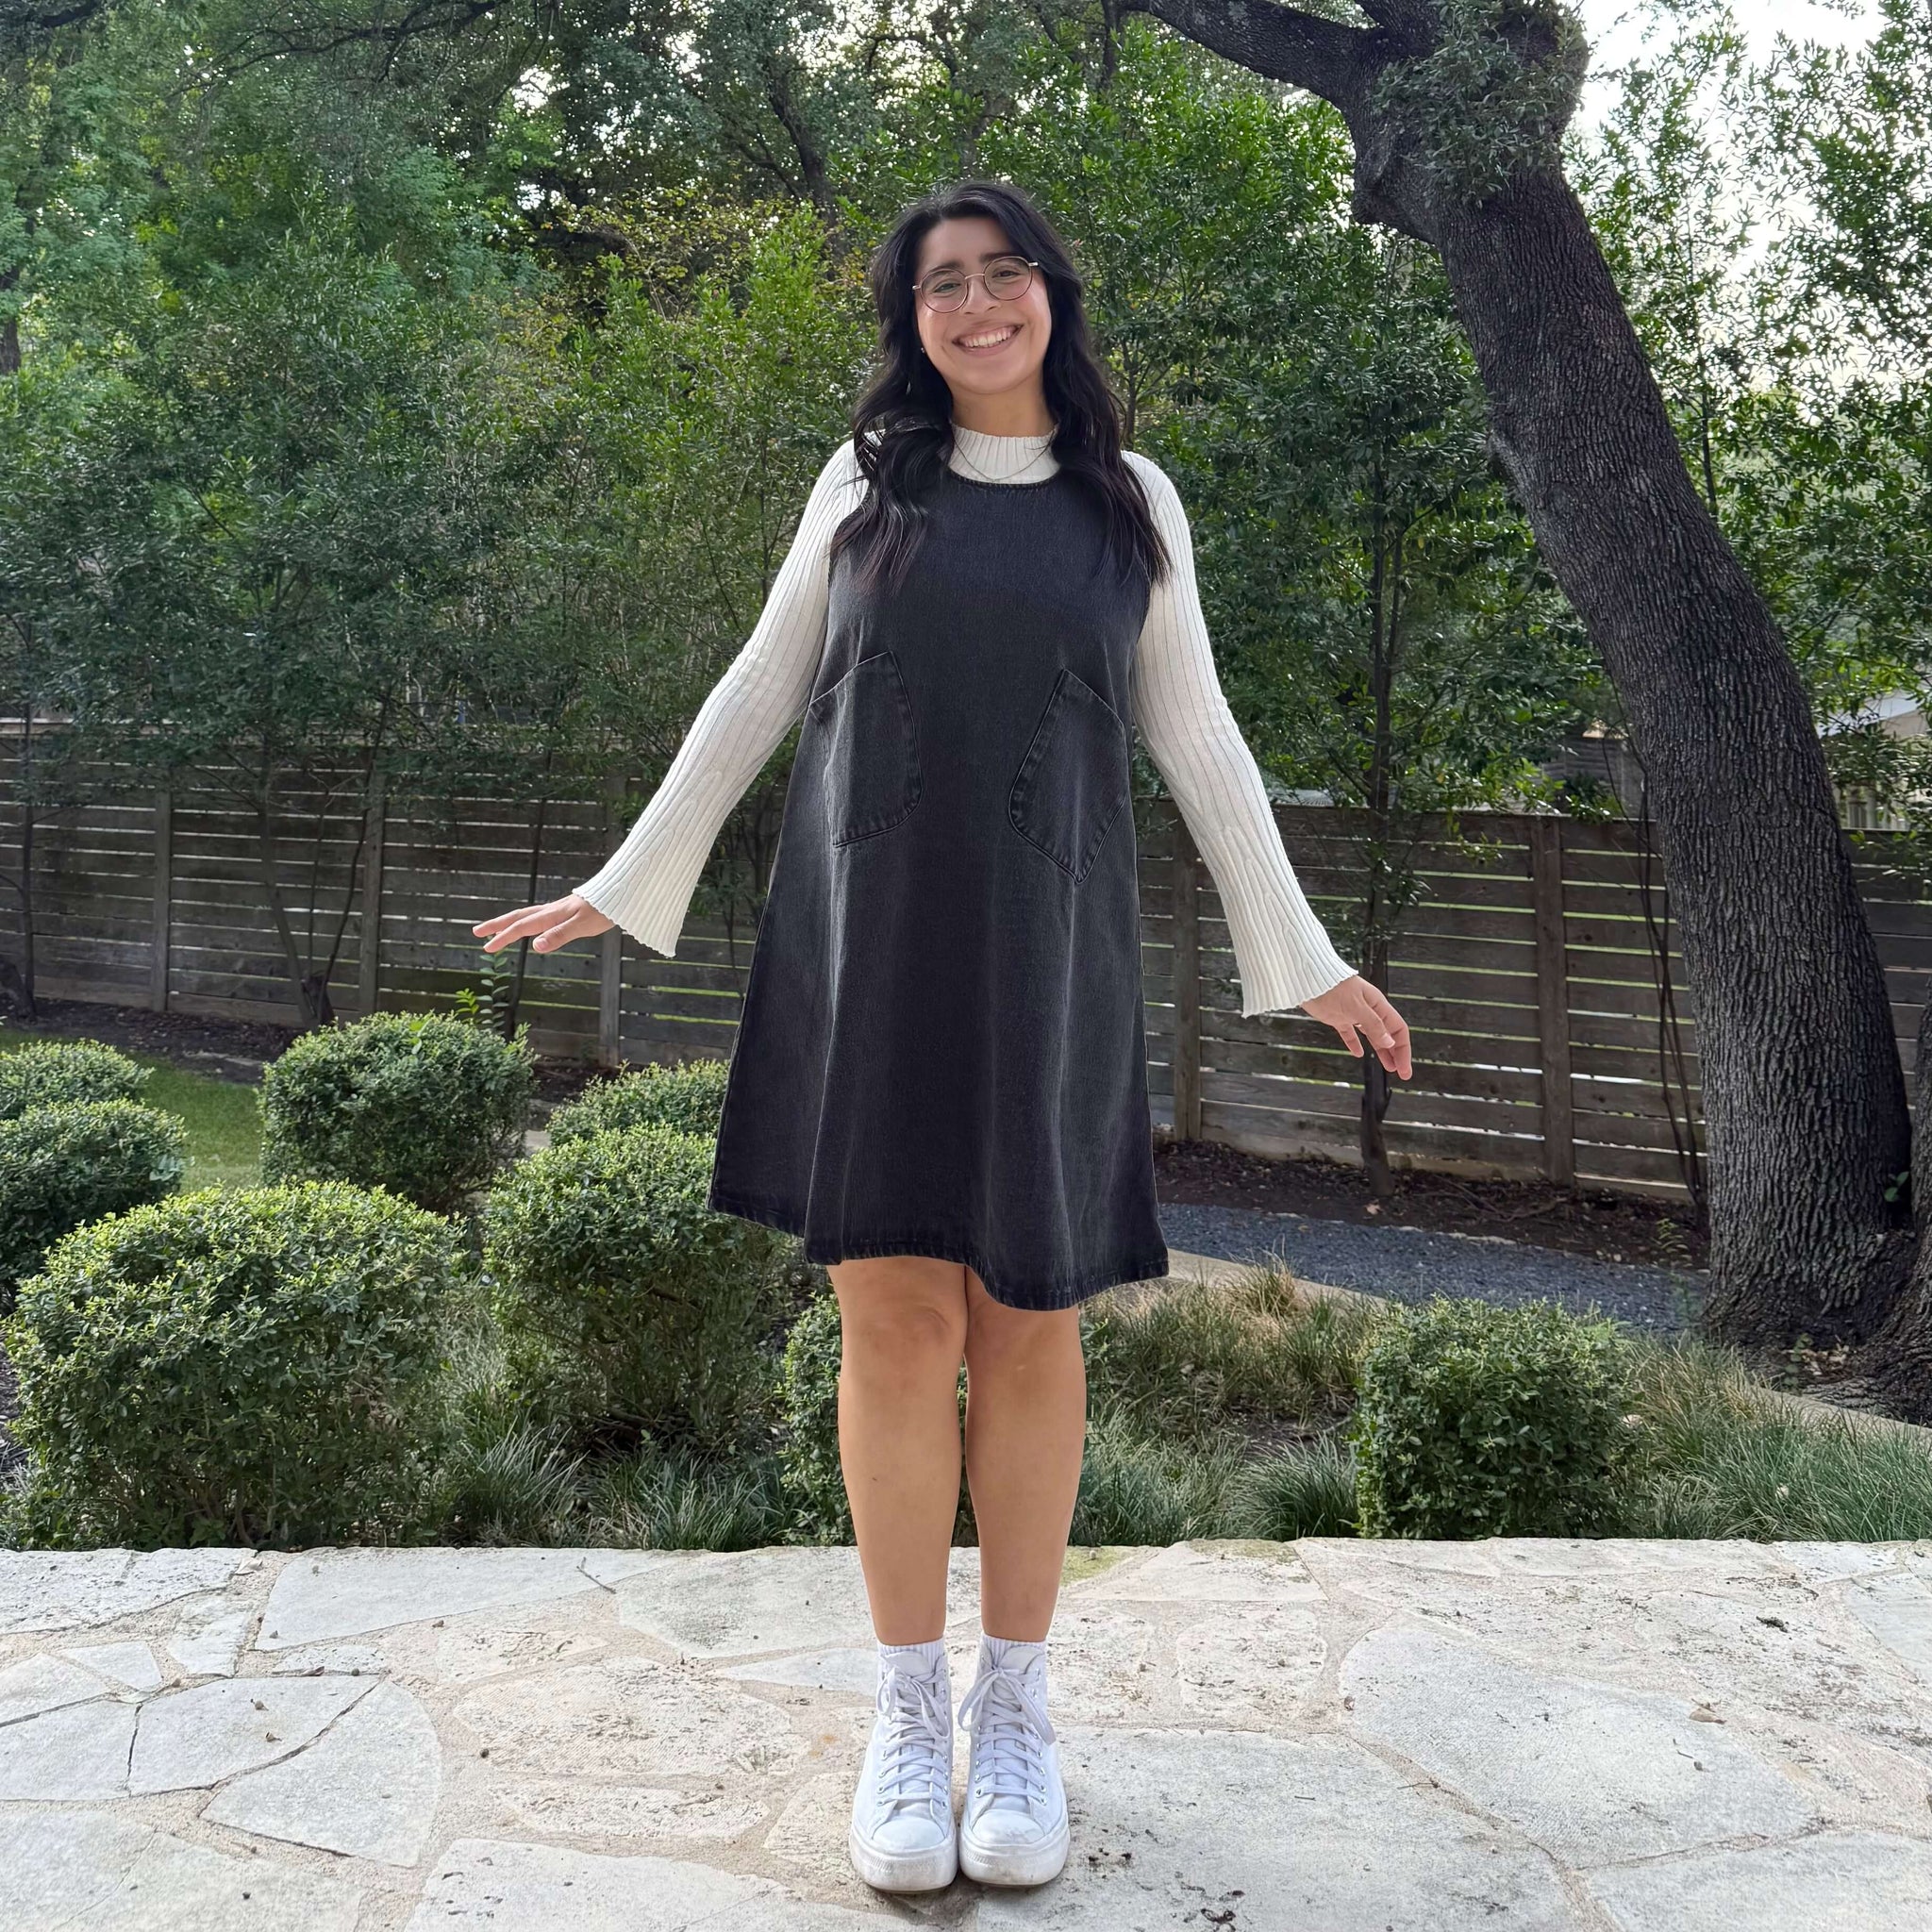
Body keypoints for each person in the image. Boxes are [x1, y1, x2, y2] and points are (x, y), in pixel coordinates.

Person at [475, 177, 1412, 1896]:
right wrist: (627, 877)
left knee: (1032, 1324)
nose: (977, 306)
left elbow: (1199, 734)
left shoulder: (1130, 500)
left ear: (1052, 293)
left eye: (1003, 273)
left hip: (1051, 956)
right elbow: (760, 687)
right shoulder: (864, 485)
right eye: (941, 286)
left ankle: (1020, 1710)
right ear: (911, 322)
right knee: (897, 1325)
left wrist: (1306, 956)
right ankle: (909, 1714)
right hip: (874, 946)